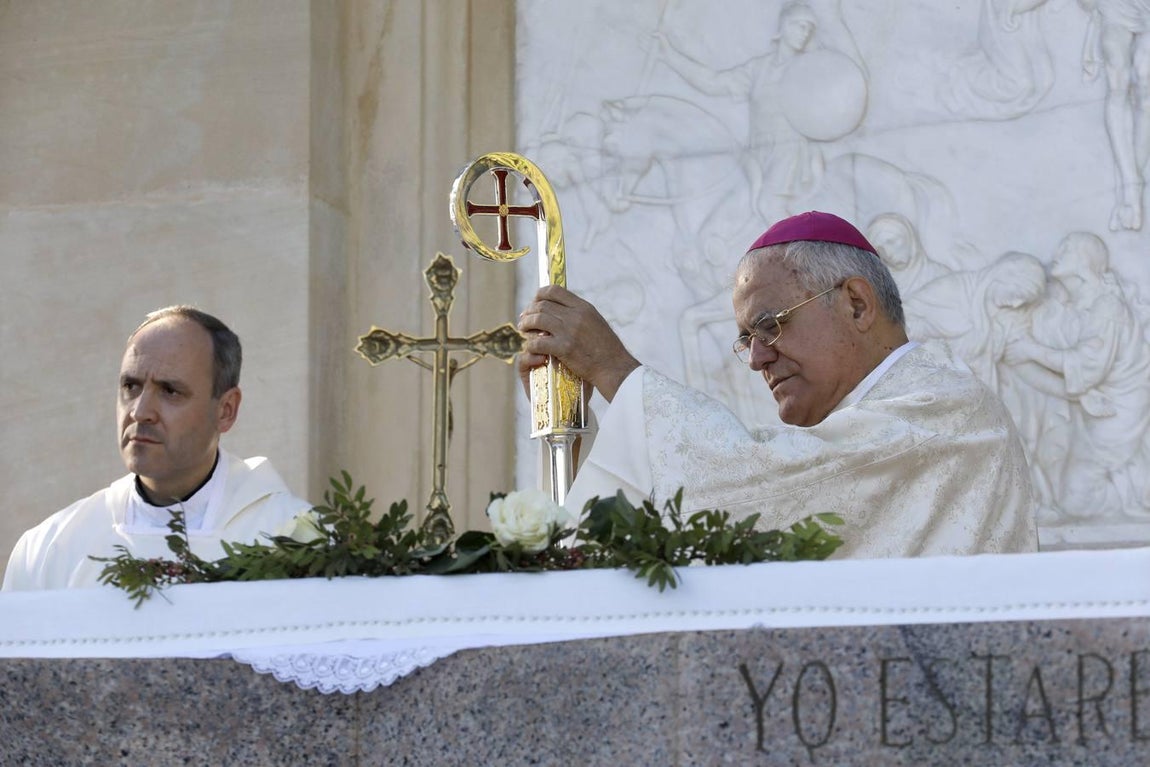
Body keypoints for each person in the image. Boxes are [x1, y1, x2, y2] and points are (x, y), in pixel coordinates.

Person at [518, 211, 1037, 558]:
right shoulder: (872, 425)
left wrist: (613, 369)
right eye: (746, 339)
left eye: (771, 324)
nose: (757, 358)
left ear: (857, 304)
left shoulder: (950, 413)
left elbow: (750, 482)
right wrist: (576, 422)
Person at [3, 306, 314, 590]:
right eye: (131, 386)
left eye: (170, 391)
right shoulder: (48, 551)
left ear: (226, 410)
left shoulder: (299, 543)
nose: (139, 412)